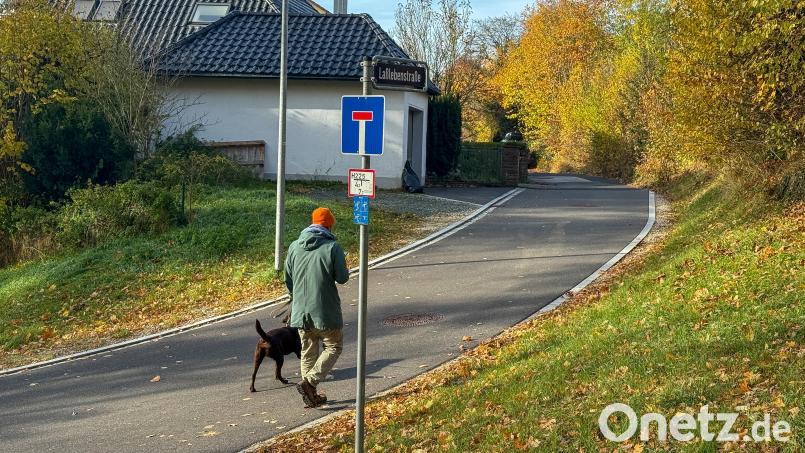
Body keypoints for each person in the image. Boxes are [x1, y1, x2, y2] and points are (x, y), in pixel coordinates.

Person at [285, 207, 350, 407]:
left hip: (300, 312)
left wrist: (294, 299)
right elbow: (342, 277)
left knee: (308, 351)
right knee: (333, 346)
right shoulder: (333, 247)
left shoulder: (294, 246)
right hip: (325, 311)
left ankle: (311, 395)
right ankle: (309, 383)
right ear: (329, 224)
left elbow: (288, 279)